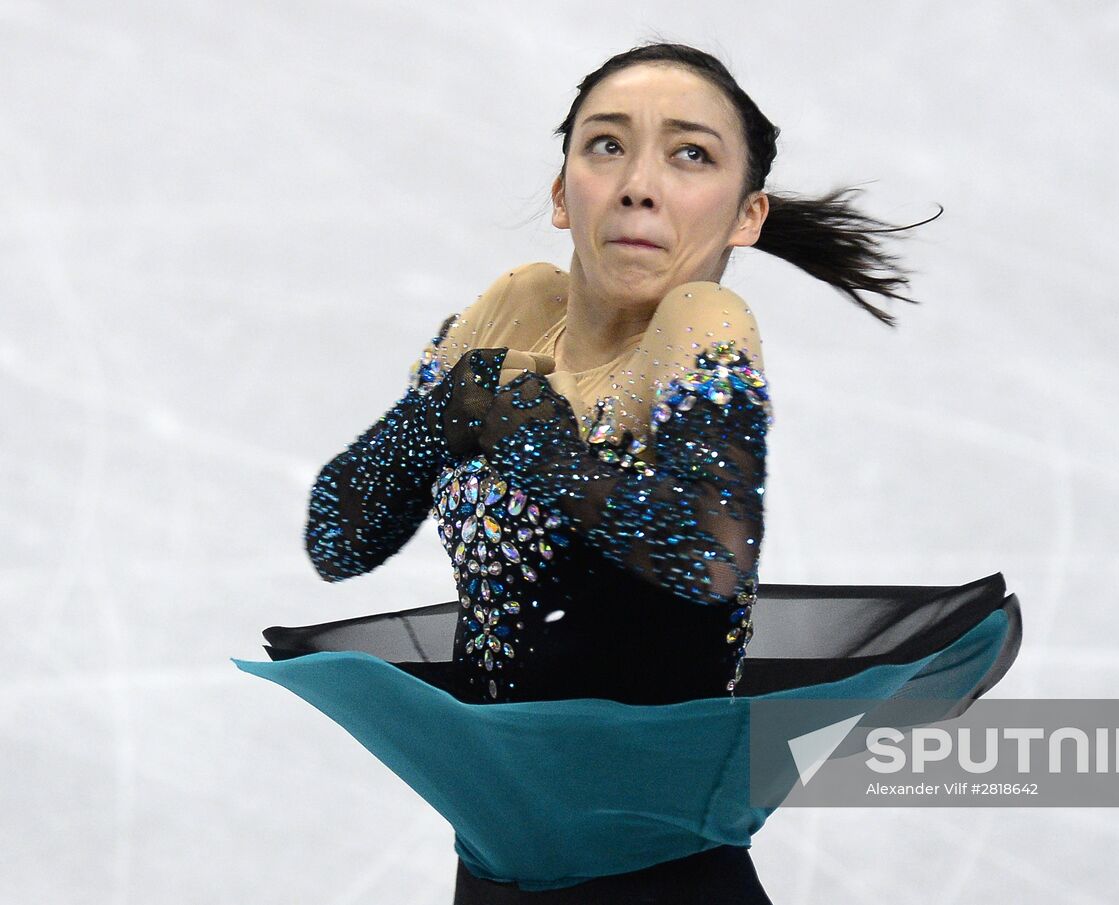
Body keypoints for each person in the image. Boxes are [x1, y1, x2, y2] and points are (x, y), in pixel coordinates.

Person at [232, 41, 1022, 903]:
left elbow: (706, 559)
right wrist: (442, 408)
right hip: (496, 870)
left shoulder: (700, 322)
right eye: (606, 145)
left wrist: (509, 419)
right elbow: (339, 534)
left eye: (691, 154)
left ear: (747, 215)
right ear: (562, 192)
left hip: (656, 878)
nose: (638, 183)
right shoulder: (514, 312)